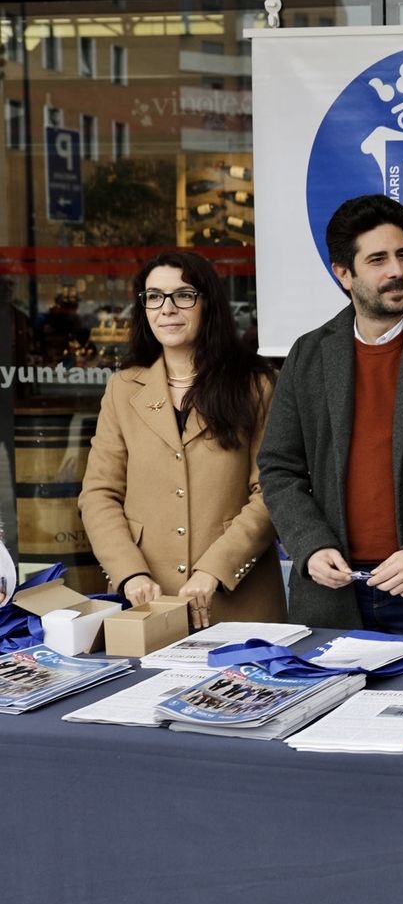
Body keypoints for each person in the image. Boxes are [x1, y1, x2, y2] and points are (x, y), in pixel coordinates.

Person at [257, 194, 403, 638]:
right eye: (378, 260)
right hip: (332, 593)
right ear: (343, 274)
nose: (396, 271)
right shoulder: (309, 354)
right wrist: (310, 547)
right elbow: (278, 467)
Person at [80, 251, 285, 629]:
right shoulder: (123, 389)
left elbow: (272, 490)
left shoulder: (255, 386)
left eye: (183, 295)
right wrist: (129, 574)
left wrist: (215, 568)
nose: (167, 308)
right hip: (148, 602)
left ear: (207, 303)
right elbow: (99, 494)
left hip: (239, 600)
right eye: (154, 296)